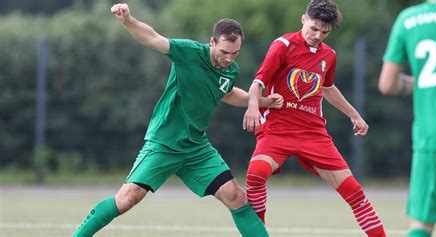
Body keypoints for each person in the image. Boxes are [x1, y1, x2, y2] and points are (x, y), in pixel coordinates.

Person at [72, 3, 284, 237]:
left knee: (236, 197)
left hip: (196, 148)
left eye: (235, 53)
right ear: (212, 42)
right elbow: (152, 38)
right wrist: (128, 21)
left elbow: (228, 93)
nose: (229, 59)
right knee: (126, 199)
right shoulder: (189, 52)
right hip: (164, 142)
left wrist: (262, 102)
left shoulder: (230, 70)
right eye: (224, 52)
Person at [242, 0, 386, 236]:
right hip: (278, 129)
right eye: (314, 28)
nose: (318, 35)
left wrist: (355, 115)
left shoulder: (329, 55)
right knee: (256, 174)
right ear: (303, 20)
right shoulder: (283, 45)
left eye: (324, 32)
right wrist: (252, 106)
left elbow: (328, 88)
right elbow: (259, 82)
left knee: (355, 193)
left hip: (313, 134)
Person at [378, 0, 436, 236]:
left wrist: (417, 84)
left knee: (422, 222)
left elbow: (387, 84)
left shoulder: (407, 19)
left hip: (431, 134)